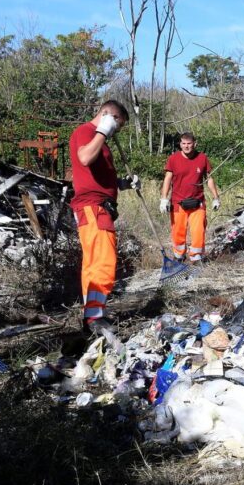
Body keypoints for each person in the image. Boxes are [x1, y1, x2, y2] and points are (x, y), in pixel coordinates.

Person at [69, 100, 138, 337]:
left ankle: (92, 315)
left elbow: (97, 176)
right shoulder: (86, 132)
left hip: (98, 206)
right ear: (110, 117)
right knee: (103, 263)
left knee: (93, 264)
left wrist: (124, 184)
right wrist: (102, 130)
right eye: (117, 126)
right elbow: (85, 158)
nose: (116, 132)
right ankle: (95, 317)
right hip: (93, 208)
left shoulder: (99, 140)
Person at [159, 133, 220, 263]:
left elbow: (209, 179)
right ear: (180, 144)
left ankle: (196, 258)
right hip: (178, 203)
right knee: (178, 232)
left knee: (198, 232)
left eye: (189, 143)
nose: (186, 146)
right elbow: (167, 179)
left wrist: (216, 197)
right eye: (183, 144)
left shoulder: (202, 158)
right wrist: (164, 199)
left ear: (194, 144)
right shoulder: (173, 159)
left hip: (198, 203)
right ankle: (179, 257)